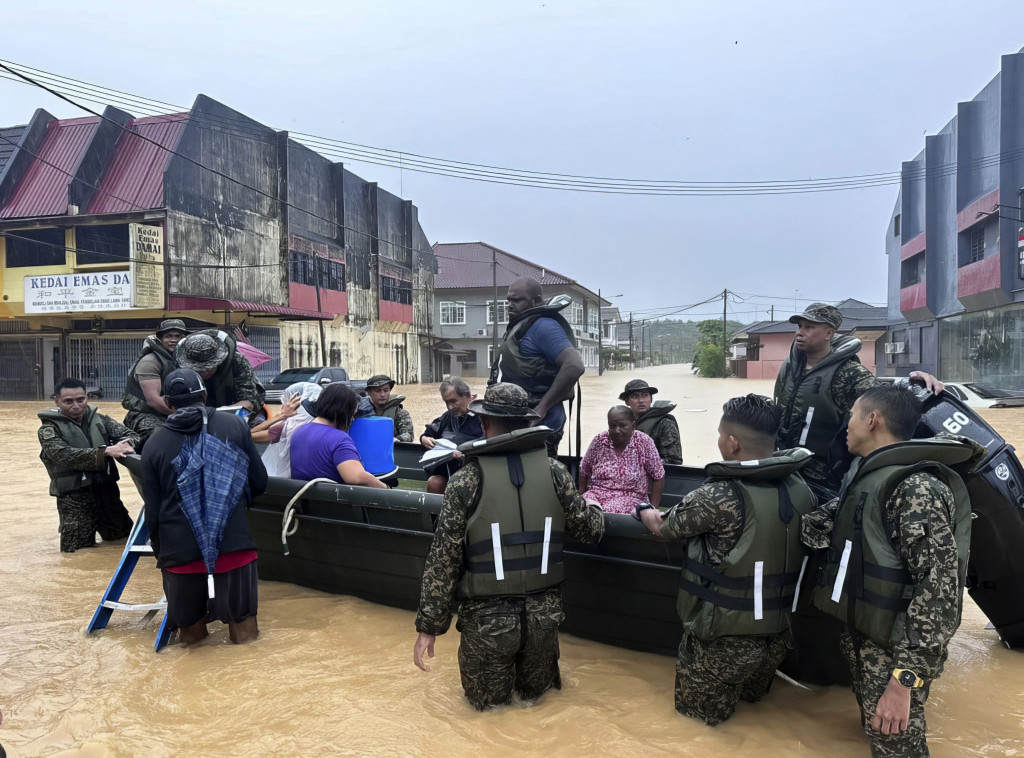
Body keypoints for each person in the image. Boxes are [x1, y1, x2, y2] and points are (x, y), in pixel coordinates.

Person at [804, 383, 979, 757]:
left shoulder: (917, 489)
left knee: (898, 749)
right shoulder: (867, 476)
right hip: (867, 640)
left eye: (851, 415)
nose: (846, 425)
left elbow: (939, 590)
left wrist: (904, 682)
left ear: (872, 419)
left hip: (895, 658)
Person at [413, 383, 605, 710]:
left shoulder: (466, 480)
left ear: (485, 424)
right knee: (540, 709)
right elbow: (589, 531)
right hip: (543, 620)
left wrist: (429, 628)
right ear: (527, 423)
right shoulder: (556, 472)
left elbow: (443, 559)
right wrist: (596, 507)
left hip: (487, 623)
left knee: (487, 717)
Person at [638, 395, 816, 725]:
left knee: (698, 729)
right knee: (753, 722)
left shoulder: (718, 494)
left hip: (721, 645)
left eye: (721, 434)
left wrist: (643, 509)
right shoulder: (800, 487)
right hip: (775, 641)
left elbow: (664, 527)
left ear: (732, 443)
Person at [141, 369, 268, 644]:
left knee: (190, 635)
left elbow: (152, 511)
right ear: (205, 395)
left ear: (168, 403)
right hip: (232, 545)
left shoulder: (153, 444)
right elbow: (259, 482)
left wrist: (164, 555)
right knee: (244, 631)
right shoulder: (235, 426)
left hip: (180, 551)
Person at [775, 303, 941, 499]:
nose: (799, 333)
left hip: (820, 481)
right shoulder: (791, 367)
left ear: (829, 334)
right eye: (799, 326)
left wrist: (915, 381)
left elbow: (889, 401)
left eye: (809, 327)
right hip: (784, 468)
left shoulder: (849, 373)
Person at [38, 378, 138, 552]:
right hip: (74, 499)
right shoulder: (49, 429)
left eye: (81, 399)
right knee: (77, 553)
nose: (76, 405)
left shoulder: (100, 419)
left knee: (124, 541)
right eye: (68, 401)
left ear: (87, 397)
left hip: (107, 492)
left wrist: (126, 445)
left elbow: (131, 435)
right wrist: (105, 451)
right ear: (56, 400)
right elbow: (61, 455)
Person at [488, 276, 584, 457]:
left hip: (538, 425)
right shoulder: (520, 327)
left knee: (535, 479)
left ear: (536, 301)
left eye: (517, 300)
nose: (509, 305)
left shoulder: (544, 326)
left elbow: (574, 365)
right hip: (516, 421)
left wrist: (542, 408)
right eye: (508, 300)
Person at [289, 382, 388, 489]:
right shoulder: (338, 439)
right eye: (352, 414)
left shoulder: (300, 431)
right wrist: (387, 489)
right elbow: (357, 477)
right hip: (333, 501)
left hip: (306, 501)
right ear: (344, 412)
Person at [578, 405, 665, 514]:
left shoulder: (643, 442)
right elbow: (584, 470)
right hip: (596, 495)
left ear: (633, 425)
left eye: (622, 425)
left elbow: (658, 477)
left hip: (631, 498)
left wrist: (653, 509)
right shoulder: (599, 440)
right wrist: (581, 496)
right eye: (612, 426)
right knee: (579, 507)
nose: (617, 430)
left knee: (607, 510)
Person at [174, 328, 266, 427]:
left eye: (210, 368)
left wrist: (214, 415)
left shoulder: (238, 362)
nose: (205, 373)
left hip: (235, 414)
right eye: (200, 370)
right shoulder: (180, 367)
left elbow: (248, 402)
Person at [121, 318, 187, 445]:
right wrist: (183, 416)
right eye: (168, 336)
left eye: (177, 336)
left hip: (174, 411)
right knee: (160, 435)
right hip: (145, 413)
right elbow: (154, 401)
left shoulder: (185, 359)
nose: (173, 340)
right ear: (161, 339)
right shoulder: (150, 361)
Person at [420, 377, 483, 494]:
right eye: (446, 402)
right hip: (447, 469)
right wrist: (424, 438)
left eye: (454, 401)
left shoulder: (483, 417)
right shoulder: (448, 416)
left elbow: (490, 442)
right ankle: (434, 512)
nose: (450, 407)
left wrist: (466, 452)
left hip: (474, 470)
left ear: (468, 396)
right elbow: (430, 431)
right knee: (434, 483)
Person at [258, 382, 320, 476]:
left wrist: (279, 416)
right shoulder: (319, 425)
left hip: (277, 480)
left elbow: (249, 434)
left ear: (293, 403)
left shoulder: (286, 427)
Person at [620, 378, 683, 464]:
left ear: (651, 399)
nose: (641, 400)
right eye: (635, 396)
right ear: (627, 401)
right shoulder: (621, 423)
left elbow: (673, 461)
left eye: (645, 395)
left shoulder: (665, 423)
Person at [364, 374, 414, 442]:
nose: (382, 395)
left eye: (386, 390)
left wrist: (397, 439)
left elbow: (409, 435)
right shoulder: (359, 411)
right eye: (378, 391)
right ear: (369, 392)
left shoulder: (400, 413)